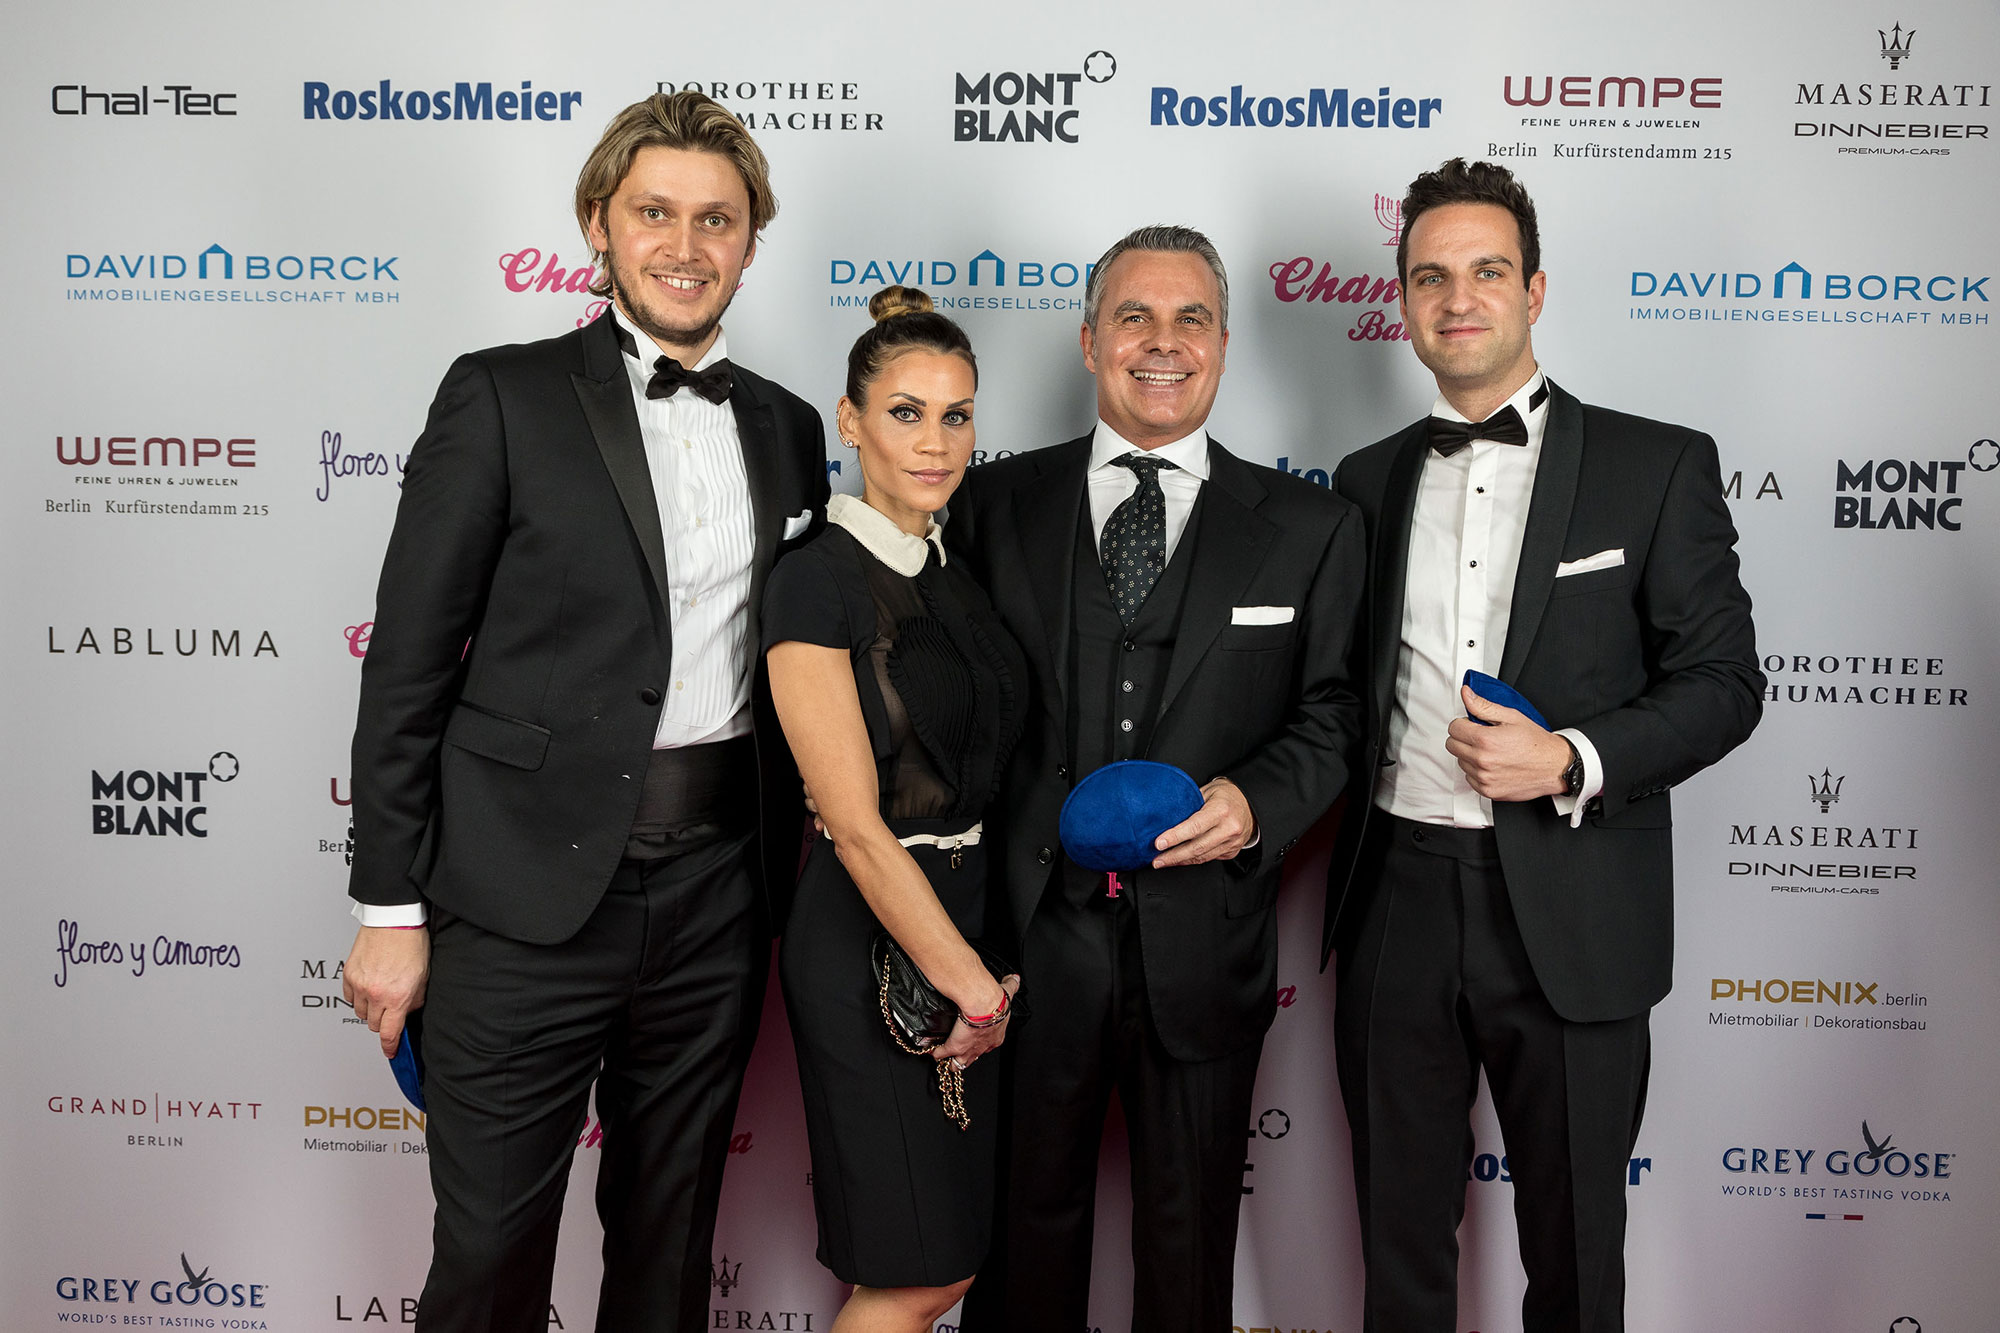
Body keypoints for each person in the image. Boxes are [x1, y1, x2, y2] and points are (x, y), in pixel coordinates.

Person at [339, 91, 827, 1333]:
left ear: (750, 240)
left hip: (718, 896)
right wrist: (389, 911)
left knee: (669, 1249)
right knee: (490, 1258)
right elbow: (406, 665)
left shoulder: (786, 426)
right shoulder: (500, 395)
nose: (685, 245)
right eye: (654, 212)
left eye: (715, 219)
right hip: (519, 899)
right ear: (598, 225)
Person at [1321, 158, 1763, 1332]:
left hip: (1574, 908)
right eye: (1429, 276)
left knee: (1573, 1264)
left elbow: (1723, 685)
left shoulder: (1652, 465)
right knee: (1397, 1256)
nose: (1456, 297)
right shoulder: (1362, 484)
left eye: (1485, 270)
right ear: (1401, 301)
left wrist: (1569, 756)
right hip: (1395, 902)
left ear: (1533, 289)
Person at [950, 225, 1366, 1333]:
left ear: (1224, 344)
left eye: (1191, 319)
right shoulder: (991, 504)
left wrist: (1256, 801)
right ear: (1090, 342)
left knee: (1188, 1252)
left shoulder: (1312, 528)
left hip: (1205, 943)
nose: (1163, 342)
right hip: (1026, 942)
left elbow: (1336, 711)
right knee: (1019, 1242)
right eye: (1134, 316)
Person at [763, 285, 1026, 1333]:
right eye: (906, 412)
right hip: (873, 935)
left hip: (966, 921)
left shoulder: (953, 572)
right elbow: (857, 827)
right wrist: (971, 989)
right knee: (917, 1272)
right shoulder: (814, 581)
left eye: (956, 415)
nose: (934, 441)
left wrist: (984, 966)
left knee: (947, 1267)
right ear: (850, 419)